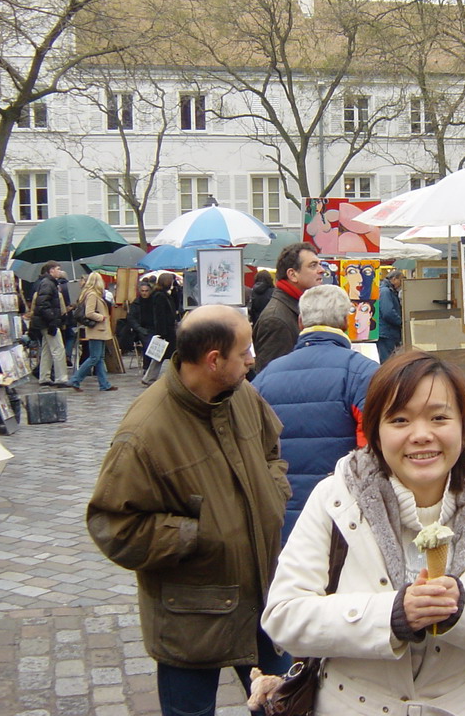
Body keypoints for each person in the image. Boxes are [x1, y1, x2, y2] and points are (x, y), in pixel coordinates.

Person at [260, 351, 465, 716]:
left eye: (439, 417)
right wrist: (392, 616)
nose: (421, 435)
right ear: (376, 431)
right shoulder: (336, 498)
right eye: (399, 419)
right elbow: (283, 617)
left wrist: (464, 606)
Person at [87, 305, 292, 716]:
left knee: (286, 706)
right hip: (192, 614)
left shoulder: (242, 395)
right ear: (214, 360)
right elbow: (114, 525)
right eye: (244, 351)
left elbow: (272, 449)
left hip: (263, 597)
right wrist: (196, 534)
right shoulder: (144, 432)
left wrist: (274, 488)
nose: (253, 359)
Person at [253, 284, 380, 542]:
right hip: (342, 515)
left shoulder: (265, 377)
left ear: (300, 322)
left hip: (280, 514)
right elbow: (374, 452)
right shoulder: (363, 374)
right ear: (347, 322)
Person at [253, 242, 324, 373]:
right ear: (292, 274)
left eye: (319, 264)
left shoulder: (296, 307)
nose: (321, 270)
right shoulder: (275, 320)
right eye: (313, 265)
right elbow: (271, 378)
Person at [68, 272, 118, 393]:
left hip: (99, 329)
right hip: (97, 329)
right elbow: (89, 313)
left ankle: (104, 384)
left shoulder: (93, 294)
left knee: (99, 358)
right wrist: (101, 317)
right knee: (94, 357)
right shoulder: (92, 295)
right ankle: (75, 379)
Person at [27, 261, 70, 386]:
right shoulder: (48, 284)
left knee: (47, 349)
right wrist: (52, 319)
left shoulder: (47, 283)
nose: (60, 271)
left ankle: (44, 376)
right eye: (58, 269)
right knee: (58, 349)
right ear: (51, 270)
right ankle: (61, 378)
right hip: (48, 322)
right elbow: (43, 304)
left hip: (44, 322)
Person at [142, 273, 180, 385]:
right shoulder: (159, 296)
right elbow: (160, 315)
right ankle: (150, 377)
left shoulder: (166, 295)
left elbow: (175, 305)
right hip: (166, 331)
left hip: (169, 330)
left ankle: (149, 377)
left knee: (161, 355)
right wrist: (161, 332)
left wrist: (175, 291)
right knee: (163, 355)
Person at [126, 281, 157, 370]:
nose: (144, 293)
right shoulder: (136, 303)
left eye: (146, 291)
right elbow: (131, 318)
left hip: (154, 328)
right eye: (142, 291)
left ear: (150, 291)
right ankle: (147, 368)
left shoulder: (154, 302)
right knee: (148, 344)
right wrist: (139, 329)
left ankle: (152, 369)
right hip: (142, 330)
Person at [377, 269, 404, 362]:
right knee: (387, 361)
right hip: (386, 332)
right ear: (394, 279)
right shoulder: (386, 291)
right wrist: (400, 322)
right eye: (401, 280)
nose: (401, 284)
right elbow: (388, 312)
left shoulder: (387, 290)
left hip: (387, 332)